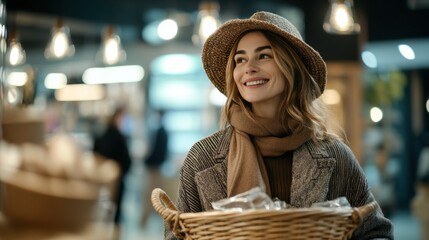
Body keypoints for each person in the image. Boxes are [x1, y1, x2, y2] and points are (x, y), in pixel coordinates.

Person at [164, 11, 393, 239]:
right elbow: (176, 236)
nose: (249, 67)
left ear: (291, 67)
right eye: (240, 59)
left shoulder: (335, 155)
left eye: (264, 56)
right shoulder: (202, 158)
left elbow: (376, 232)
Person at [93, 106, 132, 225]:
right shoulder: (118, 137)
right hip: (117, 180)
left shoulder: (102, 134)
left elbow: (95, 155)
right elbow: (127, 160)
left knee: (101, 214)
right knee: (114, 214)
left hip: (101, 180)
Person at [140, 109, 169, 227]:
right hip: (157, 167)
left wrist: (145, 161)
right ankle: (151, 219)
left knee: (150, 194)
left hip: (154, 168)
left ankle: (145, 220)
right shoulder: (163, 132)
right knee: (156, 195)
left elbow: (156, 152)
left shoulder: (160, 132)